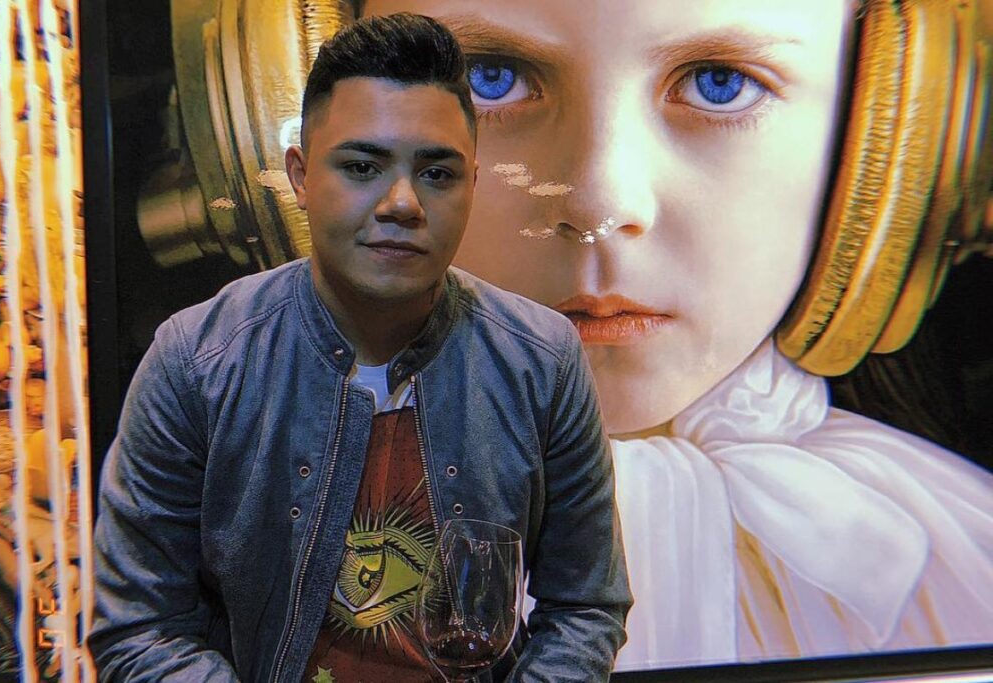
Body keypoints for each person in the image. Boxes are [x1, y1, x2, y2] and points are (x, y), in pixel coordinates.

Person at [347, 0, 993, 671]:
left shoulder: (964, 569)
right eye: (488, 78)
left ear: (890, 136)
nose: (600, 204)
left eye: (720, 82)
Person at [89, 13, 630, 682]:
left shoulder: (541, 360)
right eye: (362, 166)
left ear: (472, 185)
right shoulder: (197, 361)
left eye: (437, 174)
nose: (402, 202)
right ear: (300, 176)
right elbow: (139, 627)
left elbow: (586, 605)